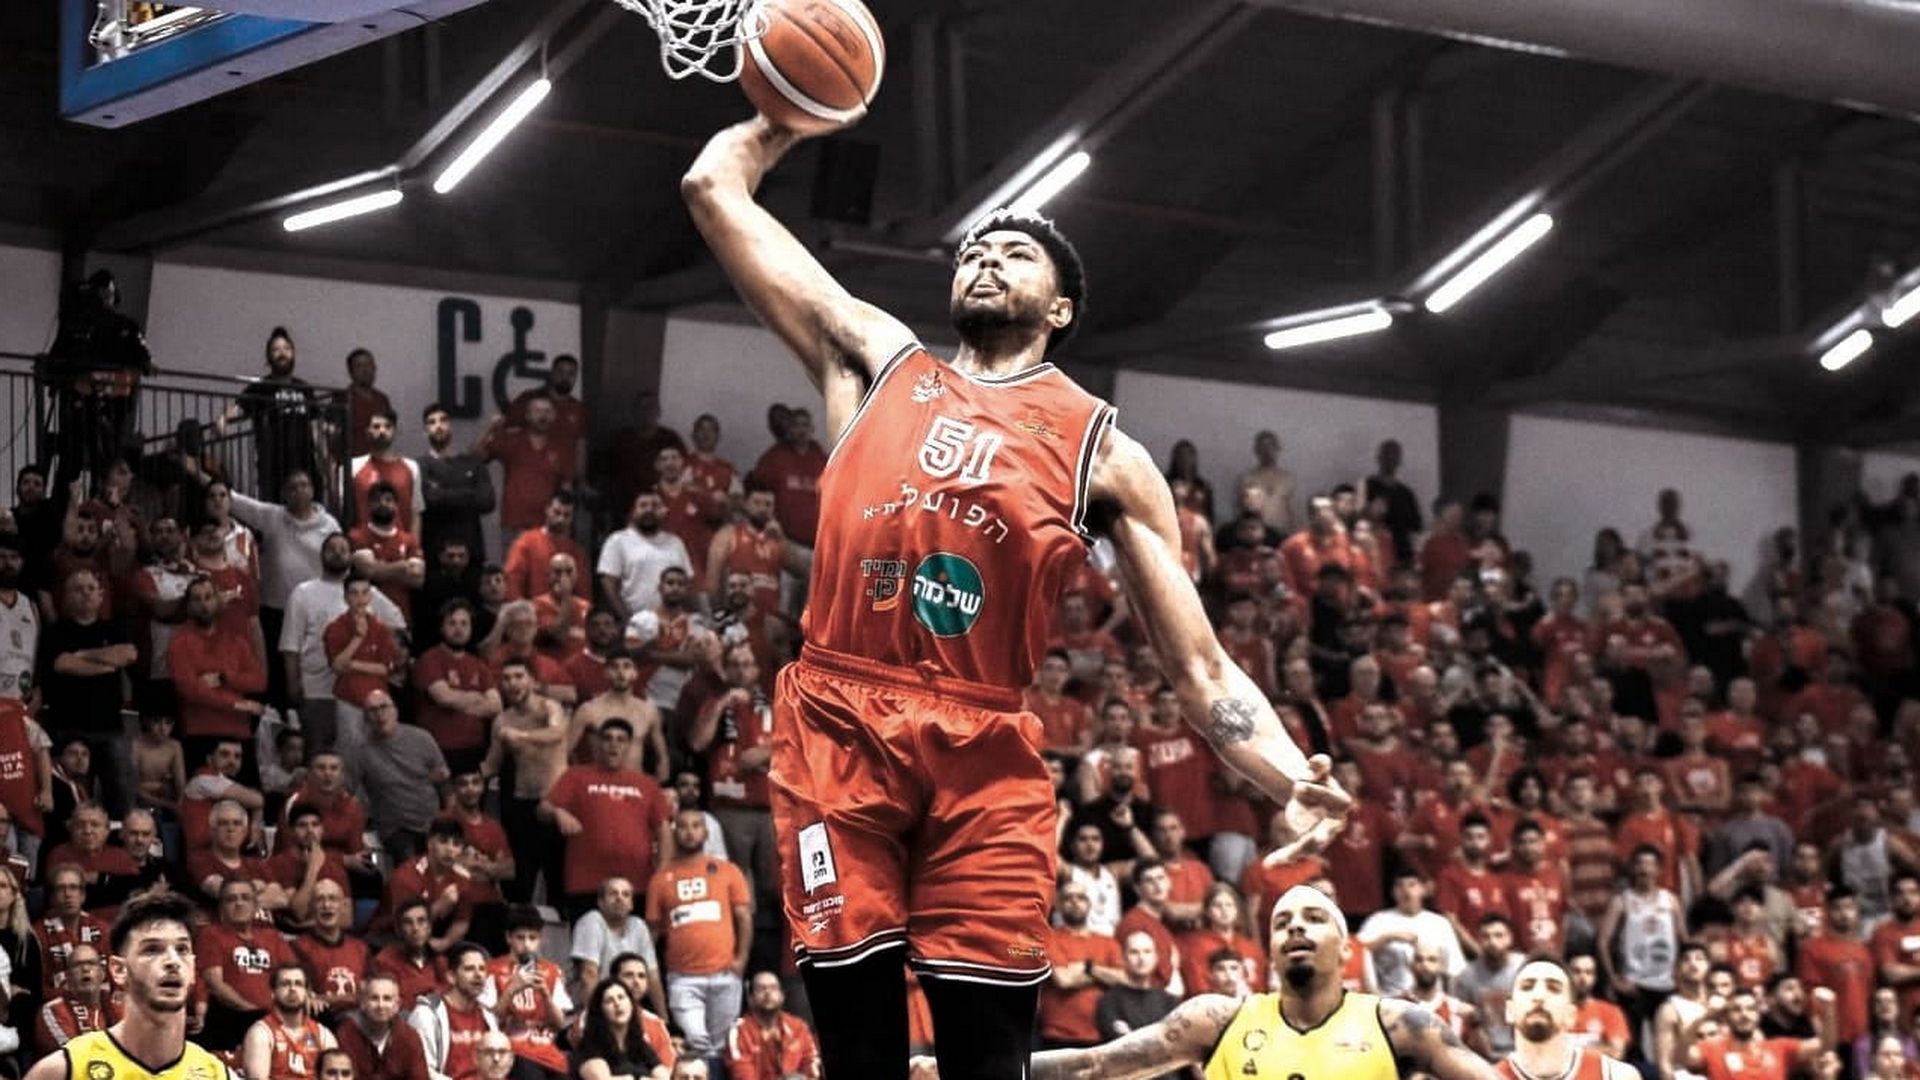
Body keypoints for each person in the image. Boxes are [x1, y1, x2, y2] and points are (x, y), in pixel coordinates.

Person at [684, 116, 1346, 1078]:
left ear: (1061, 308)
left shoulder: (1103, 452)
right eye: (974, 251)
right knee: (862, 1051)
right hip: (839, 722)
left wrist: (1290, 778)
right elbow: (712, 192)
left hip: (983, 748)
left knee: (989, 1057)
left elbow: (1200, 666)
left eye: (1016, 253)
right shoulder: (876, 360)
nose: (986, 257)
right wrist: (781, 119)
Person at [918, 884, 1498, 1078]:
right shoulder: (1218, 1019)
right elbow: (1095, 1065)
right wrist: (962, 1071)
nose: (1296, 927)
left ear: (1347, 948)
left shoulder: (1400, 1024)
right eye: (1282, 922)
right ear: (1268, 950)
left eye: (1314, 918)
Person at [21, 893, 228, 1080]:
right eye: (152, 950)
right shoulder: (65, 1070)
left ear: (192, 968)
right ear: (119, 970)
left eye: (182, 949)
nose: (173, 961)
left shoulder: (217, 1075)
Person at [644, 808, 751, 1060]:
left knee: (723, 1050)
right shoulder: (660, 879)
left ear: (706, 832)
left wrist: (741, 961)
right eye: (683, 826)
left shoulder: (728, 870)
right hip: (682, 978)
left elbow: (744, 917)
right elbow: (652, 932)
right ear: (674, 833)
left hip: (725, 974)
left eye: (695, 826)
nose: (689, 832)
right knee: (696, 1045)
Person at [538, 719, 672, 917]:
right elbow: (542, 809)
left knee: (633, 937)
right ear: (598, 744)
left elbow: (664, 829)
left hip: (635, 883)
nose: (613, 744)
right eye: (607, 738)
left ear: (629, 746)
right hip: (586, 881)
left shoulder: (647, 784)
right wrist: (558, 812)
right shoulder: (576, 776)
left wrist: (662, 871)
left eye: (620, 739)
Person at [345, 691, 449, 860]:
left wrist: (450, 817)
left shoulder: (421, 738)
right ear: (365, 718)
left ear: (395, 711)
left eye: (383, 707)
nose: (380, 714)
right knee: (411, 866)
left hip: (431, 820)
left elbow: (444, 779)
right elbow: (346, 791)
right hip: (395, 828)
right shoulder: (360, 751)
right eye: (373, 710)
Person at [1497, 957, 1638, 1080]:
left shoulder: (1617, 1076)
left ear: (1571, 1015)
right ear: (1509, 1011)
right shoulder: (1490, 1076)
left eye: (1553, 988)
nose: (1539, 996)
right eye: (1527, 987)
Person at [481, 906, 571, 1080]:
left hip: (548, 1051)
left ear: (540, 939)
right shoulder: (492, 970)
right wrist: (512, 989)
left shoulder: (552, 971)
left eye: (532, 938)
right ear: (508, 938)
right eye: (520, 938)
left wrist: (545, 994)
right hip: (512, 1050)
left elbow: (559, 1024)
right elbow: (491, 1020)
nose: (527, 944)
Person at [1687, 985, 1836, 1080]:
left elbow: (1825, 1046)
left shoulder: (1780, 1049)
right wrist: (1705, 1016)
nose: (1744, 1014)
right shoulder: (1711, 1049)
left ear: (1758, 1015)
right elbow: (1681, 1056)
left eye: (1750, 1009)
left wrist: (1829, 1009)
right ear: (1726, 1016)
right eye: (1737, 1009)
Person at [420, 403, 497, 566]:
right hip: (434, 552)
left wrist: (442, 493)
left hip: (471, 550)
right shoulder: (419, 466)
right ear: (425, 431)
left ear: (451, 426)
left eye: (443, 420)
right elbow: (429, 500)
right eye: (432, 422)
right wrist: (468, 492)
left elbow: (488, 502)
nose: (438, 426)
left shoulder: (473, 463)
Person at [570, 880, 663, 1015]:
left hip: (624, 1009)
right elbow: (588, 975)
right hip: (588, 1007)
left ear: (631, 904)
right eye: (613, 893)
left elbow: (653, 977)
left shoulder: (638, 926)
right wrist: (594, 1018)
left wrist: (664, 1019)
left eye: (626, 894)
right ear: (600, 902)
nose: (619, 898)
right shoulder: (591, 921)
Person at [410, 942, 498, 1080]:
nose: (478, 975)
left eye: (482, 969)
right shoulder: (426, 1015)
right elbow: (422, 1071)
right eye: (469, 969)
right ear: (451, 976)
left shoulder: (488, 1016)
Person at [242, 964, 338, 1080]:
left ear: (307, 993)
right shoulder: (260, 1033)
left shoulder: (323, 1035)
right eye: (285, 984)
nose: (292, 989)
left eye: (298, 984)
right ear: (273, 993)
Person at [723, 972, 820, 1080]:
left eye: (773, 988)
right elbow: (742, 1074)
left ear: (782, 996)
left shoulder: (799, 1027)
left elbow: (811, 1065)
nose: (768, 993)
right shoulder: (739, 1031)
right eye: (761, 989)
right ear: (750, 999)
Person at [335, 974, 431, 1080]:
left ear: (397, 1005)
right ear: (363, 1003)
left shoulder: (409, 1037)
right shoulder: (347, 1033)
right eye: (374, 998)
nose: (381, 1005)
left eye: (387, 999)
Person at [573, 978, 667, 1080]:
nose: (617, 1004)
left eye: (621, 997)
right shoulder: (590, 1046)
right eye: (609, 1001)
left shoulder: (639, 1044)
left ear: (631, 1004)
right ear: (600, 1010)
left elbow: (663, 1076)